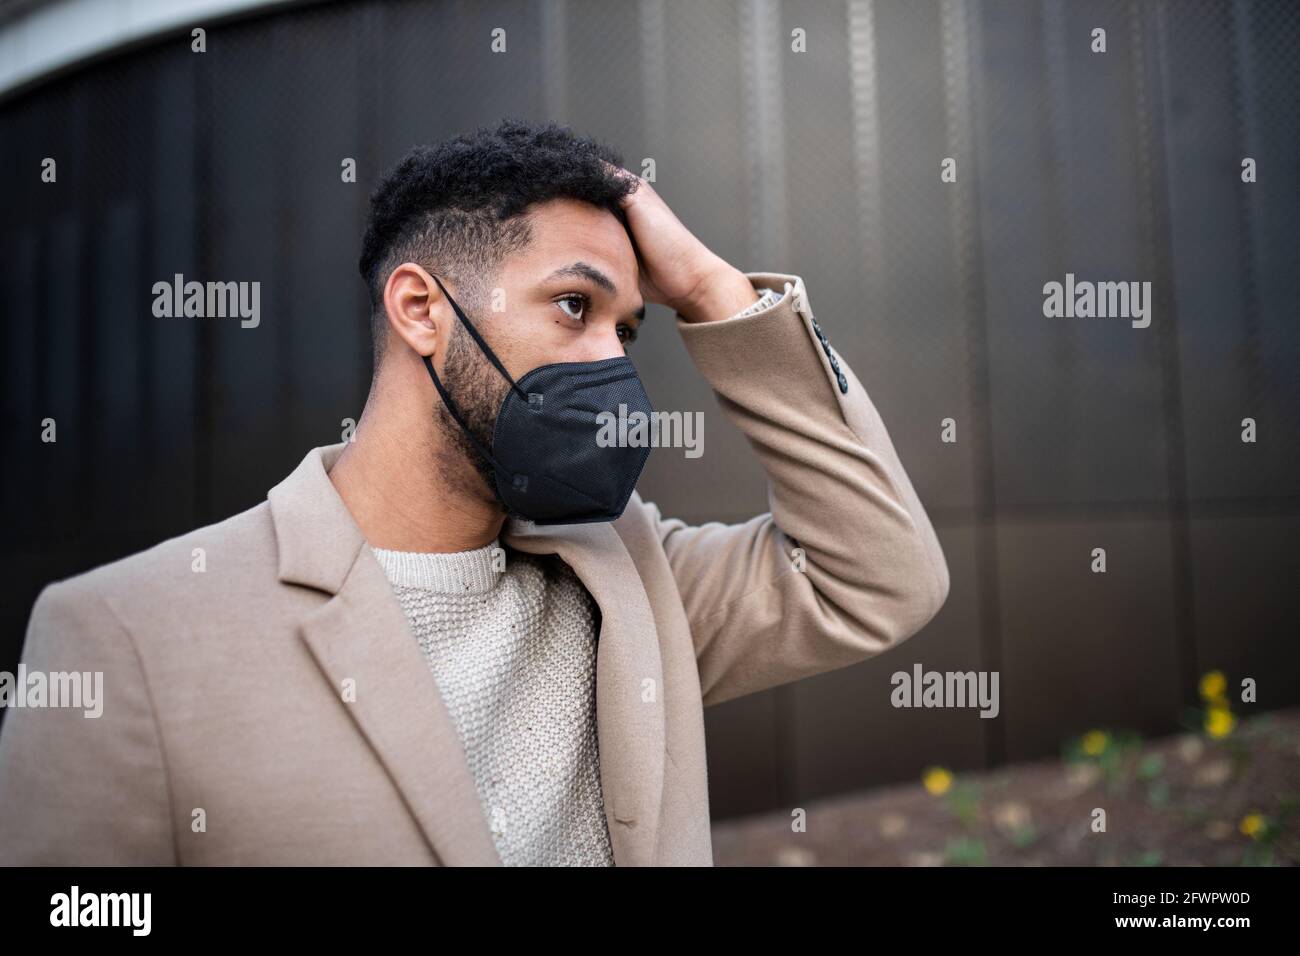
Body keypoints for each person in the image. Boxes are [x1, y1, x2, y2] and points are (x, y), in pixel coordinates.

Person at [0, 118, 948, 866]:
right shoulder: (123, 638)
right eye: (575, 307)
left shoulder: (634, 580)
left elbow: (880, 576)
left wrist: (710, 292)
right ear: (421, 311)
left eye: (628, 329)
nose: (613, 365)